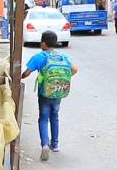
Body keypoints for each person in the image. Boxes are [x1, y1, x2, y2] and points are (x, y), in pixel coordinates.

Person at [21, 31, 78, 161]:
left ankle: (45, 145)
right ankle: (55, 144)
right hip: (58, 92)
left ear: (43, 43)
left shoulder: (40, 57)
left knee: (43, 118)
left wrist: (20, 77)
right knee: (55, 116)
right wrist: (62, 80)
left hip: (44, 93)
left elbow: (27, 72)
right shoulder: (62, 56)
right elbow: (74, 69)